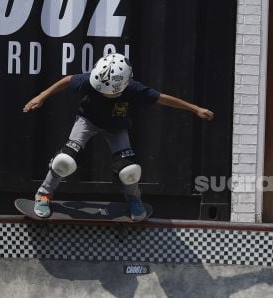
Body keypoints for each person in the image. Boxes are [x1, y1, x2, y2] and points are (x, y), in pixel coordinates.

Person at [23, 53, 214, 221]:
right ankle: (43, 195)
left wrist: (195, 109)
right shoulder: (90, 79)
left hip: (116, 127)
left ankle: (134, 200)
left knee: (129, 169)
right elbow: (67, 80)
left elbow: (163, 99)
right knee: (63, 161)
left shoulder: (133, 88)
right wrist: (41, 96)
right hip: (87, 121)